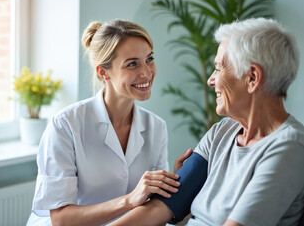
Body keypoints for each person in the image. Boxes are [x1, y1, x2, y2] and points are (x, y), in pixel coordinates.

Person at [108, 17, 304, 226]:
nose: (211, 80)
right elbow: (160, 207)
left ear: (253, 77)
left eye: (219, 68)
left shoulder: (289, 147)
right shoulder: (222, 131)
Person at [26, 19, 182, 226]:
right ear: (103, 72)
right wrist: (129, 200)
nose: (146, 72)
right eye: (132, 64)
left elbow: (153, 205)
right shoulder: (66, 125)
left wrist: (173, 182)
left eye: (149, 59)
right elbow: (61, 219)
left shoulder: (156, 127)